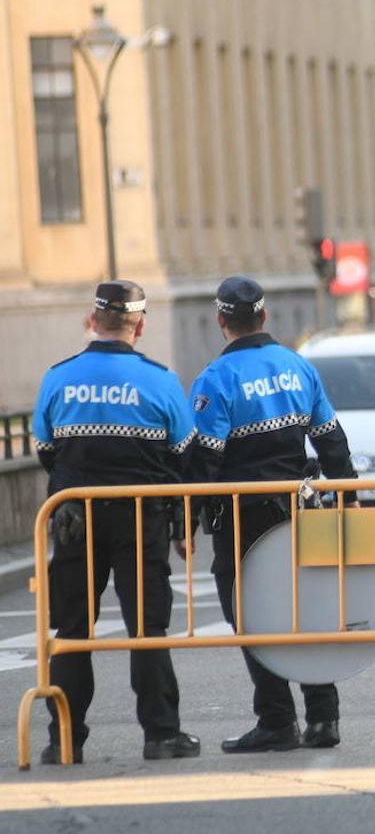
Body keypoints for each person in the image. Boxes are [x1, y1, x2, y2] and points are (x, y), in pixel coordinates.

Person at [32, 280, 201, 764]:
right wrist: (182, 524)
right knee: (147, 628)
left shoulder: (57, 378)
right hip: (140, 519)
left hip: (73, 518)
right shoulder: (161, 380)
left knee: (71, 630)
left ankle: (64, 739)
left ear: (92, 321)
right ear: (140, 325)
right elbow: (182, 456)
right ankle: (161, 735)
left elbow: (46, 451)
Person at [187, 276, 357, 753]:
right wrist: (349, 502)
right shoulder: (299, 368)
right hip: (302, 511)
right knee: (309, 613)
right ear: (263, 317)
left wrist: (185, 524)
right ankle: (324, 719)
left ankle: (277, 720)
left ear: (222, 322)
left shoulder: (216, 379)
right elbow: (331, 442)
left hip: (242, 520)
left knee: (250, 617)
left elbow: (204, 460)